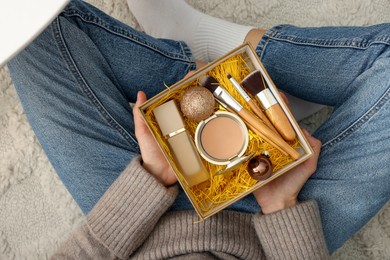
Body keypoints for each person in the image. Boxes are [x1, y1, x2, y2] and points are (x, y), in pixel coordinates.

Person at [7, 0, 389, 258]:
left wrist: (151, 180)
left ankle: (221, 69)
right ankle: (248, 64)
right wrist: (281, 206)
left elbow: (86, 252)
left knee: (25, 26)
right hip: (270, 234)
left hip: (139, 226)